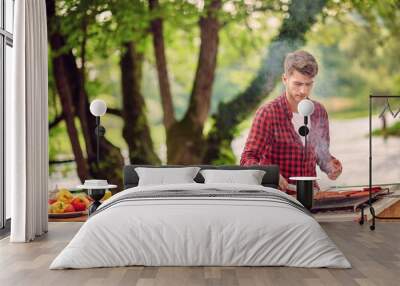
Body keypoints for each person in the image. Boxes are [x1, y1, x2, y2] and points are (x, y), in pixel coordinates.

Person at [240, 50, 342, 191]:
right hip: (279, 199)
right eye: (298, 84)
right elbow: (247, 159)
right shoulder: (268, 113)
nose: (303, 91)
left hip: (311, 195)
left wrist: (330, 166)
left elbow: (321, 154)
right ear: (285, 79)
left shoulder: (319, 111)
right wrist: (270, 175)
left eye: (308, 84)